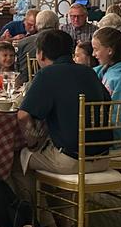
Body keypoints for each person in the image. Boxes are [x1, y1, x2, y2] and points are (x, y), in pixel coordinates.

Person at [12, 29, 113, 208]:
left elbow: (23, 115)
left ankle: (35, 218)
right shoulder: (89, 72)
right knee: (50, 154)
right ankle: (60, 217)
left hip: (72, 160)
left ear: (40, 54)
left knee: (16, 161)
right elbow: (107, 102)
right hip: (103, 157)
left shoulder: (47, 74)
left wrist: (32, 142)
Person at [16, 9, 59, 82]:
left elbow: (18, 68)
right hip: (55, 81)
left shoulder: (23, 42)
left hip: (27, 82)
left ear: (37, 25)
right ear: (56, 25)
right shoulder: (62, 41)